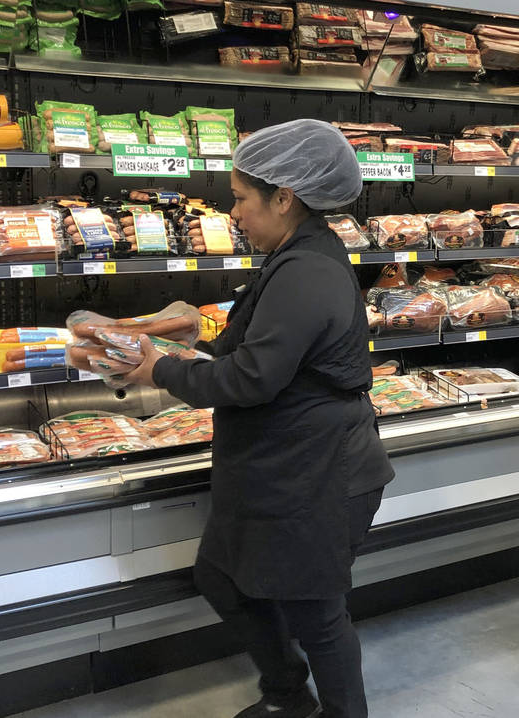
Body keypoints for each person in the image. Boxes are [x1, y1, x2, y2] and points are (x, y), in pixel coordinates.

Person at [124, 118, 395, 718]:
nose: (235, 213)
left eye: (242, 198)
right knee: (222, 577)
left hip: (320, 475)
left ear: (283, 197)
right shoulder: (296, 254)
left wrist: (161, 370)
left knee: (316, 612)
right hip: (280, 467)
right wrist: (199, 334)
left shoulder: (308, 270)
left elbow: (251, 378)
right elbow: (261, 349)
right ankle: (287, 695)